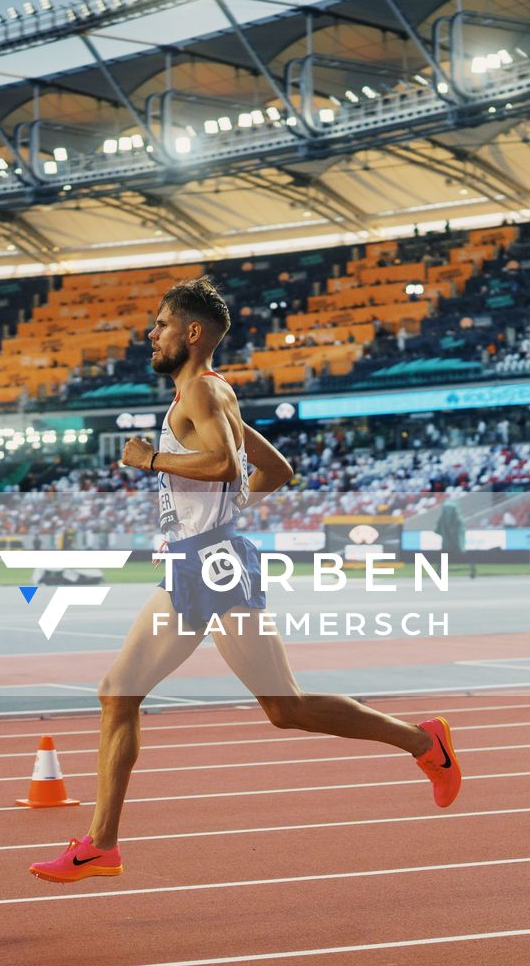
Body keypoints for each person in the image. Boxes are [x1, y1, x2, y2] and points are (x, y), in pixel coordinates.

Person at [29, 276, 463, 886]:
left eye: (161, 324)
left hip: (215, 566)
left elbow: (227, 465)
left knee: (284, 706)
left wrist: (148, 460)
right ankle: (102, 843)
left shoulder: (202, 396)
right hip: (193, 563)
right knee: (118, 692)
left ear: (193, 332)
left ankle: (425, 741)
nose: (151, 334)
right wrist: (226, 515)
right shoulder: (210, 394)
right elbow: (275, 469)